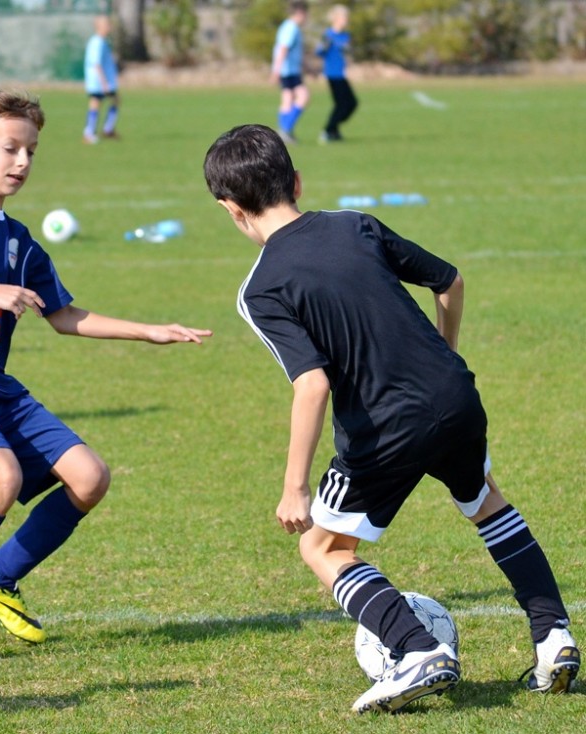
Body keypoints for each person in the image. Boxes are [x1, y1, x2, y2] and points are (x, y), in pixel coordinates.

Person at [203, 123, 579, 713]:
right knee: (486, 502)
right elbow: (449, 280)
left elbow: (312, 384)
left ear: (230, 208)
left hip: (384, 428)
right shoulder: (355, 224)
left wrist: (294, 486)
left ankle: (416, 650)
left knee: (323, 548)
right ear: (297, 182)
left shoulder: (260, 289)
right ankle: (553, 635)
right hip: (455, 397)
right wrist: (446, 358)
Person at [0, 89, 211, 666]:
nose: (22, 162)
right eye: (10, 148)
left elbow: (63, 316)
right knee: (1, 475)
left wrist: (148, 331)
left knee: (90, 476)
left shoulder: (19, 240)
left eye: (31, 151)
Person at [316, 4, 358, 143]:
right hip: (333, 74)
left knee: (351, 104)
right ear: (336, 18)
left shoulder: (346, 36)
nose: (346, 20)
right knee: (342, 104)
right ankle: (328, 130)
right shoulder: (328, 34)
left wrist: (349, 52)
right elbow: (319, 52)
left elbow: (349, 54)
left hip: (342, 74)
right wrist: (324, 46)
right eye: (344, 17)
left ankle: (333, 130)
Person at [270, 1, 310, 145]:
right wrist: (276, 70)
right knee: (303, 96)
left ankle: (285, 132)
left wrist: (307, 67)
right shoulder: (291, 28)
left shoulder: (288, 26)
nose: (307, 17)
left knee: (287, 99)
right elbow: (283, 49)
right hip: (288, 70)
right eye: (306, 14)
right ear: (300, 13)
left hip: (289, 70)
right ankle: (284, 130)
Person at [82, 14, 120, 144]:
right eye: (107, 24)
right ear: (99, 26)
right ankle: (89, 133)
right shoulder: (97, 42)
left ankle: (107, 129)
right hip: (98, 81)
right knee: (96, 103)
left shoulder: (102, 41)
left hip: (103, 81)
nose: (109, 27)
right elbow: (96, 63)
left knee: (115, 100)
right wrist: (104, 82)